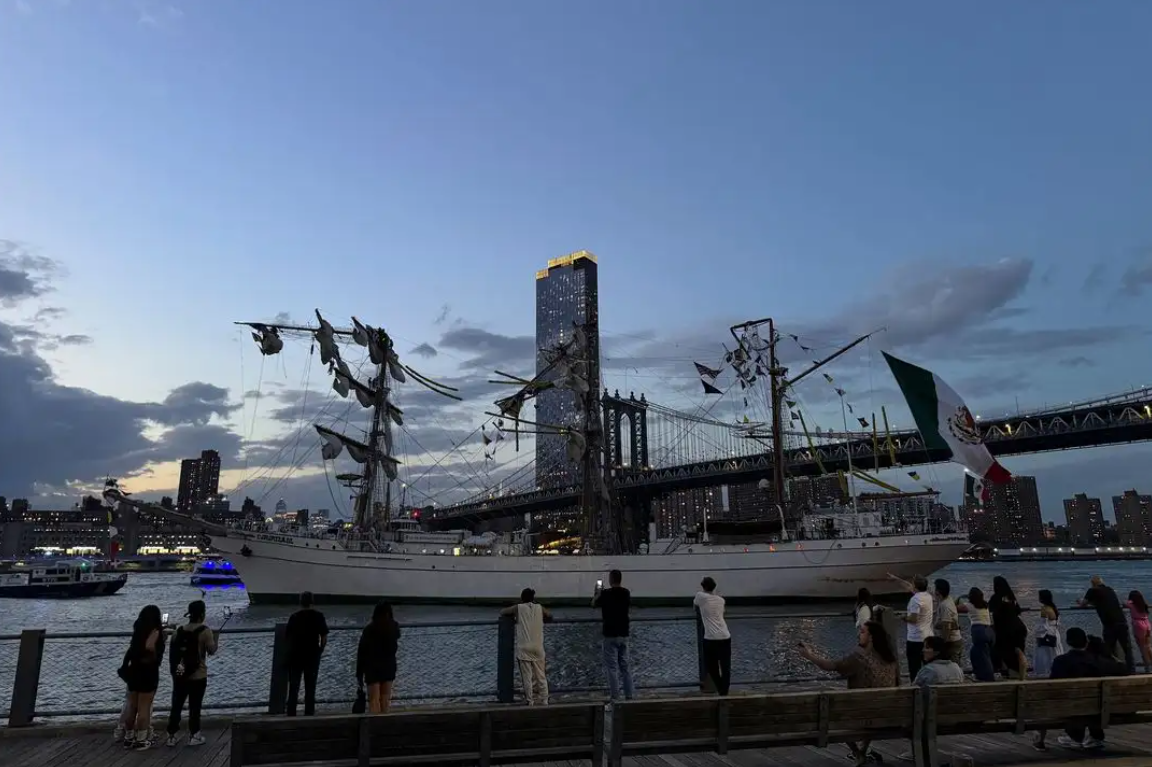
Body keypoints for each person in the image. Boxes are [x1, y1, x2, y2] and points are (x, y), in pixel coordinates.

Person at [798, 621, 898, 766]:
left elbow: (831, 666)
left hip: (863, 715)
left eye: (862, 632)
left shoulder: (859, 658)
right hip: (888, 714)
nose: (859, 634)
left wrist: (809, 655)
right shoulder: (890, 659)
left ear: (871, 637)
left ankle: (858, 754)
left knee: (836, 714)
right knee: (868, 705)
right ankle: (862, 751)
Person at [1050, 627, 1128, 750]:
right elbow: (1123, 669)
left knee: (1077, 702)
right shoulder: (1099, 661)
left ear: (1068, 642)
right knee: (1094, 701)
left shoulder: (1060, 662)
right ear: (1086, 642)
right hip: (1100, 707)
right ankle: (1095, 736)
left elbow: (1052, 687)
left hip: (1072, 707)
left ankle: (1074, 736)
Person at [165, 600, 217, 748]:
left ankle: (171, 735)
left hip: (180, 673)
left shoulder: (179, 631)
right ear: (202, 614)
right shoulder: (205, 631)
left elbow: (173, 654)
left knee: (176, 704)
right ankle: (194, 735)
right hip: (198, 675)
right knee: (195, 706)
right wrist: (216, 638)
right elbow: (212, 650)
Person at [118, 605, 165, 750]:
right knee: (144, 707)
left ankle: (129, 737)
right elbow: (150, 646)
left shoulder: (137, 631)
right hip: (148, 672)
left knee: (132, 706)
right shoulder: (156, 631)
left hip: (134, 671)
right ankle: (141, 739)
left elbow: (132, 650)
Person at [501, 588, 551, 705]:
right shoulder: (539, 607)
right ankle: (544, 699)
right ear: (533, 598)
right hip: (538, 647)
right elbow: (549, 614)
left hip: (523, 647)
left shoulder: (518, 608)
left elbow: (503, 612)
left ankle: (530, 700)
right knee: (541, 676)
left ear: (522, 598)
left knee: (526, 677)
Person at [285, 591, 329, 716]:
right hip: (312, 655)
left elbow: (288, 637)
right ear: (312, 602)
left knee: (294, 686)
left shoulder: (294, 617)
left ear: (300, 602)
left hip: (296, 655)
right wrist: (320, 650)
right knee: (310, 686)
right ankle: (309, 712)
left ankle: (291, 712)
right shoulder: (318, 616)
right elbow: (324, 636)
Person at [1079, 575, 1135, 673]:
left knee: (1108, 649)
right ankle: (1131, 670)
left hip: (1109, 624)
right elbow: (1103, 602)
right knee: (1127, 648)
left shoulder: (1092, 591)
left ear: (1092, 584)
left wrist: (1079, 601)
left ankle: (1111, 669)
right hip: (1121, 621)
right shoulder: (1110, 590)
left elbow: (1083, 604)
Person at [592, 569, 634, 701]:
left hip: (610, 634)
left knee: (612, 667)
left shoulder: (605, 594)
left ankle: (615, 696)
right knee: (625, 666)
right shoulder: (626, 593)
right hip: (624, 633)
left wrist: (597, 594)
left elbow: (593, 604)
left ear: (610, 579)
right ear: (620, 579)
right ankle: (629, 695)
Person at [356, 602, 401, 714]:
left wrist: (359, 673)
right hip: (388, 666)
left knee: (373, 700)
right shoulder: (393, 628)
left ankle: (374, 725)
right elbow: (394, 647)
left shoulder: (369, 629)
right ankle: (385, 725)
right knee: (385, 699)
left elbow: (361, 652)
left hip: (372, 668)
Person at [888, 573, 934, 680]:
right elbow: (908, 586)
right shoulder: (927, 597)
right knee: (928, 667)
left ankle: (915, 690)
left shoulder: (915, 600)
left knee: (914, 668)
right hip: (928, 637)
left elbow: (913, 619)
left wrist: (903, 617)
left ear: (915, 586)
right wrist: (896, 578)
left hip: (915, 639)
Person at [694, 577, 731, 696]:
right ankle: (724, 692)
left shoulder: (701, 596)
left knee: (711, 666)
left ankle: (720, 689)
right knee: (725, 666)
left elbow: (695, 605)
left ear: (703, 587)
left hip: (710, 638)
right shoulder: (721, 600)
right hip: (725, 636)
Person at [989, 576, 1027, 679]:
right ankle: (1022, 676)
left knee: (1004, 653)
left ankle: (1008, 675)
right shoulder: (1011, 597)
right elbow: (1018, 611)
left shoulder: (996, 598)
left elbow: (991, 613)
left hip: (1005, 630)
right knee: (1019, 652)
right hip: (1019, 627)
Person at [956, 587, 996, 682]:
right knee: (977, 653)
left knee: (981, 656)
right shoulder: (985, 604)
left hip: (979, 631)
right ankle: (981, 675)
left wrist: (959, 598)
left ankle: (988, 678)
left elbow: (954, 608)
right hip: (990, 631)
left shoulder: (969, 605)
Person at [1033, 590, 1063, 677]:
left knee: (1044, 655)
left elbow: (1043, 625)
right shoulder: (1054, 608)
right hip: (1055, 633)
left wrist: (1036, 634)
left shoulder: (1044, 609)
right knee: (1055, 652)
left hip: (1046, 634)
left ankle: (1044, 673)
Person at [933, 579, 963, 663]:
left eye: (935, 588)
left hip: (950, 642)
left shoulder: (945, 606)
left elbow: (947, 626)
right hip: (953, 640)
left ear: (938, 591)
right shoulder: (948, 600)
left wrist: (943, 643)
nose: (934, 591)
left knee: (952, 666)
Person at [1127, 590, 1151, 673]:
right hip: (1147, 624)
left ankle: (1148, 668)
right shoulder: (1143, 605)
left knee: (1142, 648)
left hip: (1138, 625)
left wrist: (1130, 600)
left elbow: (1125, 603)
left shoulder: (1132, 605)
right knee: (1148, 646)